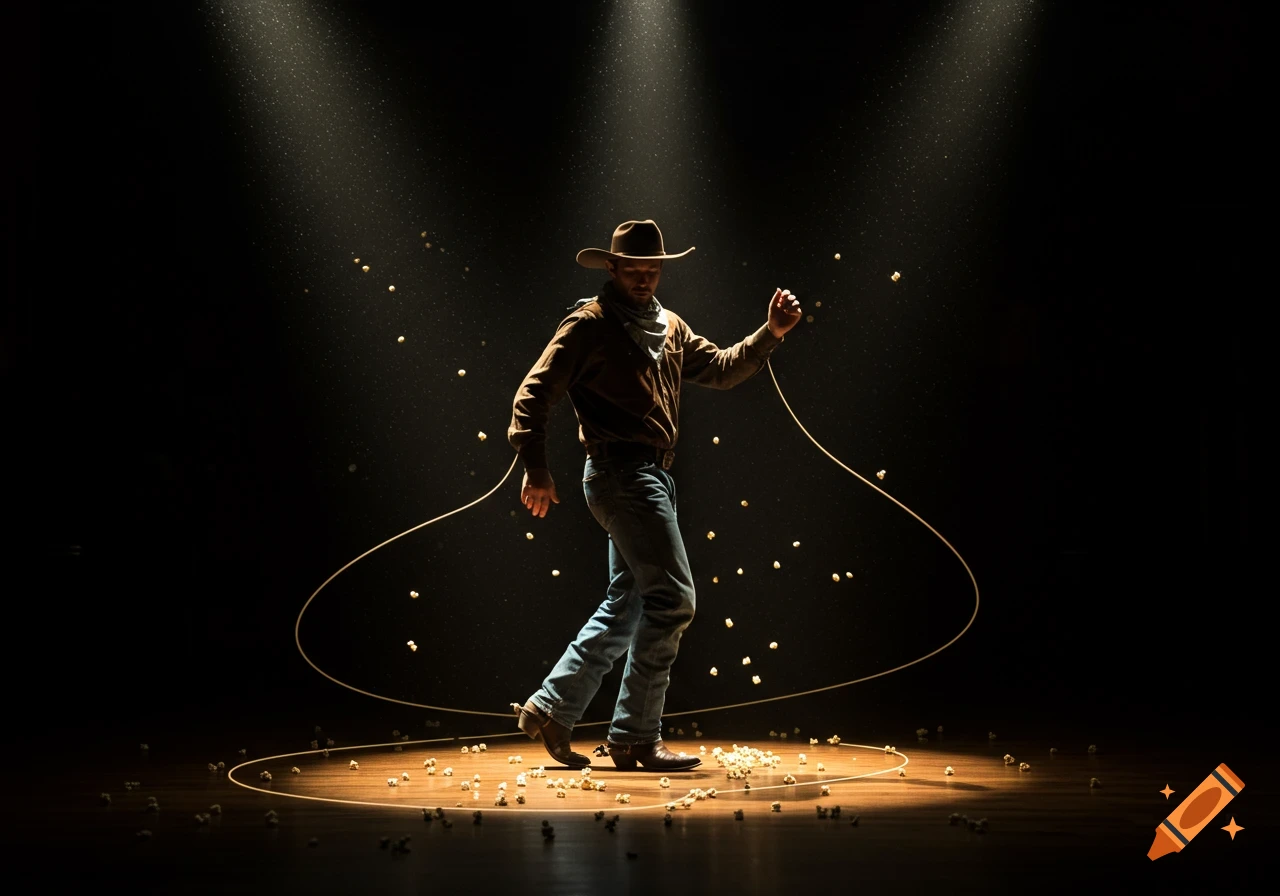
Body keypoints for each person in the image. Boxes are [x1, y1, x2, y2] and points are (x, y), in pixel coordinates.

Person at [507, 219, 802, 771]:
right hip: (622, 474)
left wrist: (771, 332)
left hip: (649, 478)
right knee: (674, 600)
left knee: (634, 599)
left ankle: (552, 707)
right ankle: (635, 737)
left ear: (660, 270)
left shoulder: (669, 326)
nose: (644, 279)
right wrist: (537, 467)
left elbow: (719, 368)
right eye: (633, 269)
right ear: (613, 269)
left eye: (652, 269)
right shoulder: (589, 324)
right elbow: (535, 393)